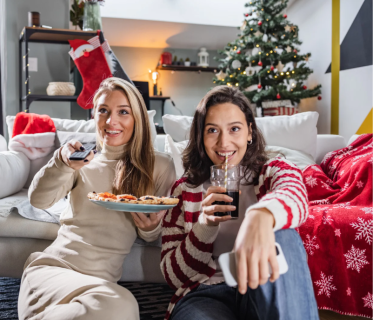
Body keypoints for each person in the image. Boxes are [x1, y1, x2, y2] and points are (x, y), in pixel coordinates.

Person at [18, 77, 176, 320]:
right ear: (94, 116)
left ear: (138, 118)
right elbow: (38, 200)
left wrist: (151, 227)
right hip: (52, 271)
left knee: (120, 305)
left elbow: (153, 229)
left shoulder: (158, 165)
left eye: (123, 112)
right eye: (103, 111)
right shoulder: (81, 161)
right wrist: (61, 161)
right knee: (122, 305)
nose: (111, 121)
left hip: (98, 287)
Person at [160, 86, 318, 320]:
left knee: (284, 236)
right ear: (201, 136)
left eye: (234, 129)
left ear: (249, 132)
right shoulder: (184, 189)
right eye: (213, 130)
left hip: (262, 283)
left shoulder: (272, 172)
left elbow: (295, 195)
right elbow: (173, 277)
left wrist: (260, 216)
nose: (224, 142)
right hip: (206, 293)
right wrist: (204, 225)